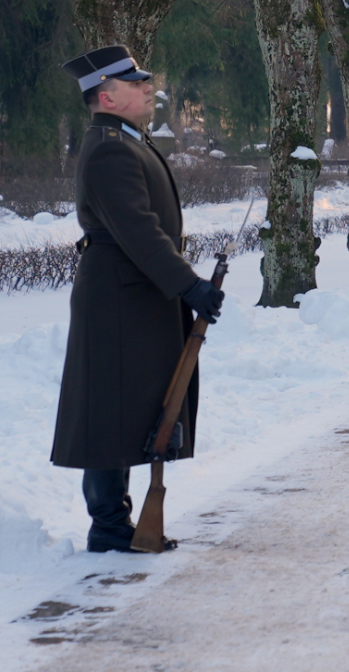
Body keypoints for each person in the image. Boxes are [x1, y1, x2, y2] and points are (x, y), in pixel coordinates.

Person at [52, 46, 225, 553]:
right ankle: (108, 523)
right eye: (135, 83)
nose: (148, 87)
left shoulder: (127, 139)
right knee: (110, 405)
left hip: (134, 291)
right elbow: (139, 230)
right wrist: (187, 284)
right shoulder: (109, 148)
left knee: (130, 404)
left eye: (145, 80)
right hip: (118, 295)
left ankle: (115, 520)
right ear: (106, 96)